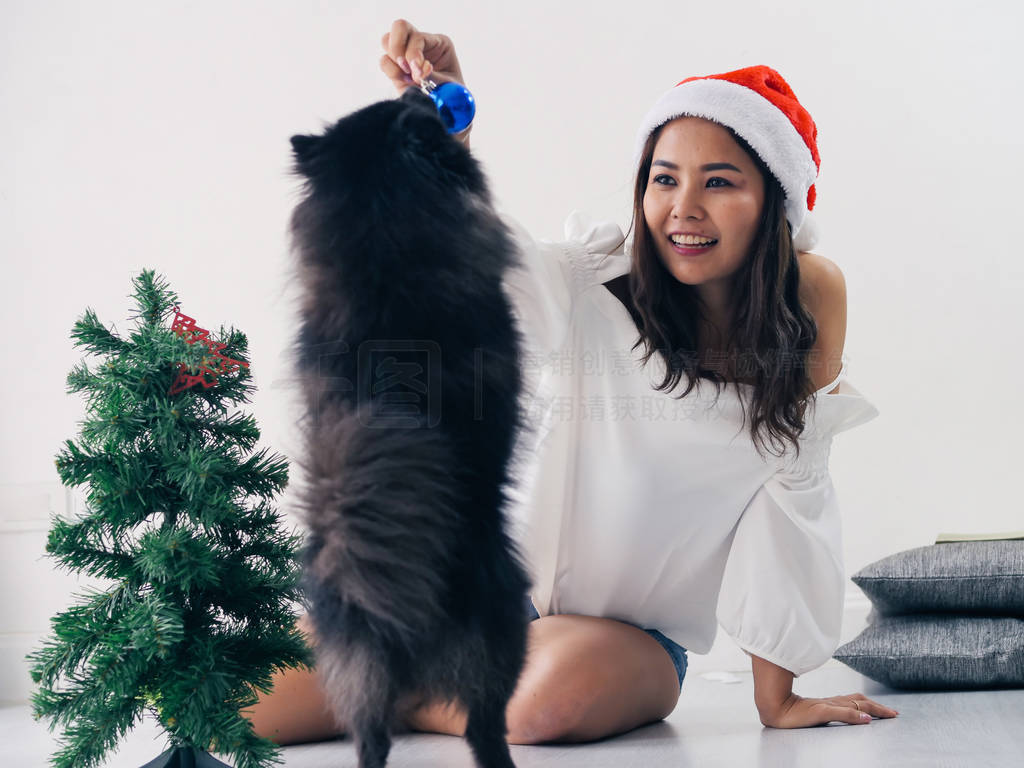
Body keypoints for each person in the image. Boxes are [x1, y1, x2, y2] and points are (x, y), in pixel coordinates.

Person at [244, 18, 899, 747]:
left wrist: (777, 696)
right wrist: (444, 130)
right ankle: (434, 686)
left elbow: (796, 493)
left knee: (542, 704)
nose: (683, 208)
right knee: (231, 693)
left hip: (626, 643)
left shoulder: (809, 301)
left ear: (775, 202)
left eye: (720, 182)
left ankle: (393, 689)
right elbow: (489, 271)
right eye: (663, 179)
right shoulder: (596, 279)